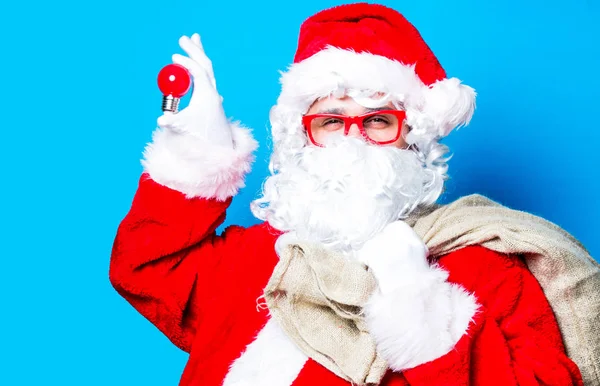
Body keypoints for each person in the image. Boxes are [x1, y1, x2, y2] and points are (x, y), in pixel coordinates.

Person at [109, 3, 591, 385]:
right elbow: (148, 269)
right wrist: (197, 156)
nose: (353, 139)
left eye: (378, 120)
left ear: (414, 137)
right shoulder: (255, 258)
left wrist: (423, 312)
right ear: (301, 136)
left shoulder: (483, 269)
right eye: (332, 121)